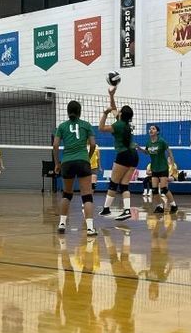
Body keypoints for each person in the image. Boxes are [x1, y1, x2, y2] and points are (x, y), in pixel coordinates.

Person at [52, 100, 97, 237]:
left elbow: (55, 145)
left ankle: (62, 224)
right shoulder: (86, 125)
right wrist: (87, 157)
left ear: (67, 111)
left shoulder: (62, 126)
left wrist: (57, 163)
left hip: (67, 162)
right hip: (83, 160)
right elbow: (93, 144)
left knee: (67, 194)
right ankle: (90, 228)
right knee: (87, 195)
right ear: (80, 111)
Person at [99, 85, 138, 221]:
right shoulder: (125, 124)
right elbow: (115, 109)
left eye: (120, 111)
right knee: (124, 184)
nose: (118, 111)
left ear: (122, 115)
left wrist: (105, 113)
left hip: (124, 155)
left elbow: (101, 128)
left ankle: (106, 209)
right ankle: (126, 210)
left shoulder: (118, 125)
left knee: (113, 183)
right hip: (134, 155)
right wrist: (111, 96)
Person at [139, 124, 178, 215]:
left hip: (163, 168)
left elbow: (170, 153)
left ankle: (174, 205)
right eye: (150, 129)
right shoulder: (149, 143)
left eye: (153, 129)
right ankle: (159, 206)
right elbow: (146, 152)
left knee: (164, 188)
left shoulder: (161, 141)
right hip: (154, 169)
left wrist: (172, 165)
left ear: (157, 132)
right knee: (154, 190)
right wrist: (138, 148)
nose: (151, 130)